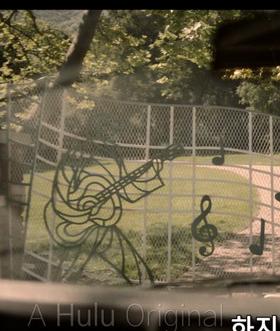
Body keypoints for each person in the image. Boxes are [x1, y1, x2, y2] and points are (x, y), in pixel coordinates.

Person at [44, 119, 183, 284]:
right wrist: (85, 203)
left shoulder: (110, 157)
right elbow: (64, 194)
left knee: (136, 271)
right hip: (77, 227)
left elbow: (129, 190)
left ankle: (142, 286)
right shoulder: (77, 160)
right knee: (70, 267)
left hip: (105, 228)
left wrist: (157, 163)